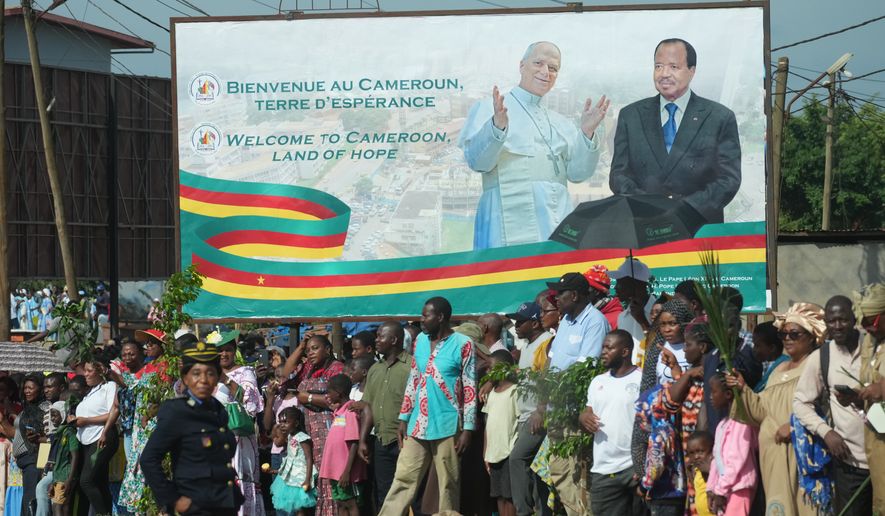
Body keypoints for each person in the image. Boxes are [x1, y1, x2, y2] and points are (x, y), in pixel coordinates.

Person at [459, 41, 609, 249]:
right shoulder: (489, 109)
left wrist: (586, 132)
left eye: (553, 68)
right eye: (538, 63)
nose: (545, 72)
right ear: (522, 66)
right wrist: (497, 128)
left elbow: (577, 174)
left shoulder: (561, 123)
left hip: (555, 216)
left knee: (556, 278)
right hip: (504, 220)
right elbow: (478, 162)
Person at [609, 38, 741, 225]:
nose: (664, 74)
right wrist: (649, 205)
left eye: (673, 67)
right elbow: (618, 175)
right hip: (644, 225)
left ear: (692, 71)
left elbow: (729, 180)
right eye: (658, 66)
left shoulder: (719, 117)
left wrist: (684, 208)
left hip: (698, 227)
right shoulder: (630, 116)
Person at [724, 302, 826, 516]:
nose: (787, 339)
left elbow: (827, 408)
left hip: (801, 453)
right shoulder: (778, 368)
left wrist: (794, 426)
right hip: (773, 457)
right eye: (783, 334)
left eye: (795, 334)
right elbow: (762, 410)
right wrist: (742, 388)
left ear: (811, 336)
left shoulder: (817, 365)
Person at [380, 296, 476, 515]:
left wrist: (468, 429)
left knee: (448, 484)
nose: (421, 320)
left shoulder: (463, 344)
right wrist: (404, 417)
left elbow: (470, 387)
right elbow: (414, 378)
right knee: (403, 478)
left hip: (448, 423)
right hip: (417, 424)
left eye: (426, 315)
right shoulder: (420, 341)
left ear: (440, 317)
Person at [140, 337, 244, 516]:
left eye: (210, 373)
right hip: (194, 507)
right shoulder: (176, 411)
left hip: (225, 504)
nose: (203, 380)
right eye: (196, 373)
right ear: (185, 379)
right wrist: (174, 500)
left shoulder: (218, 410)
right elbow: (149, 459)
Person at [792, 295, 871, 515]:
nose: (837, 326)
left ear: (854, 318)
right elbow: (800, 402)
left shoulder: (873, 348)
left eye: (843, 320)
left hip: (881, 456)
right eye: (831, 321)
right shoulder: (822, 357)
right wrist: (826, 433)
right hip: (850, 463)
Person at [543, 272, 609, 515]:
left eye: (560, 294)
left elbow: (586, 369)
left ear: (575, 295)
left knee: (579, 474)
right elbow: (552, 363)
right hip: (555, 410)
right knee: (559, 471)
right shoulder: (566, 321)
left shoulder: (595, 322)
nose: (555, 299)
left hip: (576, 411)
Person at [578, 329, 644, 516]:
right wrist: (583, 417)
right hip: (604, 468)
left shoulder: (642, 378)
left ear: (625, 352)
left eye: (609, 347)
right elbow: (588, 412)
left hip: (634, 466)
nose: (603, 352)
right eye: (603, 347)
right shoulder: (598, 381)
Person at [282, 333, 346, 516]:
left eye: (315, 348)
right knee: (310, 479)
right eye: (308, 349)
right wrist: (301, 346)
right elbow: (286, 374)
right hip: (309, 433)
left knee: (329, 478)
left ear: (328, 349)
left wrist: (309, 397)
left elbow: (339, 399)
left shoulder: (337, 368)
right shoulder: (308, 368)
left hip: (329, 431)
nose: (310, 353)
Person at [502, 301, 552, 516]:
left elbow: (548, 378)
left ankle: (523, 512)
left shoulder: (546, 342)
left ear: (534, 323)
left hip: (536, 416)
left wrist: (540, 411)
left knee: (517, 458)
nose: (517, 326)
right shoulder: (526, 346)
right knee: (534, 471)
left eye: (521, 322)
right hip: (525, 415)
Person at [357, 321, 412, 510]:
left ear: (394, 340)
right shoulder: (375, 369)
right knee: (385, 496)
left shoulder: (412, 367)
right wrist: (363, 440)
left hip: (408, 441)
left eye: (381, 336)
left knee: (413, 495)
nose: (376, 340)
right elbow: (367, 408)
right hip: (382, 442)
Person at [111, 337, 168, 514]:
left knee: (147, 467)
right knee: (136, 469)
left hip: (152, 426)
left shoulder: (161, 368)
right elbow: (124, 393)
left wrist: (151, 414)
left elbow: (163, 396)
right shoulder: (135, 373)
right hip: (134, 428)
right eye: (124, 354)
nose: (148, 346)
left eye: (152, 343)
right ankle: (141, 508)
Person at [212, 330, 266, 516]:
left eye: (228, 350)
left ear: (235, 351)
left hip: (238, 440)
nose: (224, 354)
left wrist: (225, 380)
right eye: (219, 350)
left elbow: (251, 402)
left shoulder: (245, 372)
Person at [852, 283, 885, 513]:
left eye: (871, 322)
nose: (866, 328)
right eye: (862, 324)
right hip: (876, 435)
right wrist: (855, 395)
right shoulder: (870, 340)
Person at [70, 359, 118, 516]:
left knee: (86, 480)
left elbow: (113, 412)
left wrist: (87, 421)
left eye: (89, 371)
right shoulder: (90, 392)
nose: (86, 374)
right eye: (85, 371)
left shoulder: (109, 387)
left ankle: (103, 514)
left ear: (100, 372)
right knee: (99, 482)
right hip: (86, 440)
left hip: (102, 437)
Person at [706, 374, 758, 516]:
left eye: (714, 391)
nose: (710, 396)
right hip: (724, 488)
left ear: (728, 394)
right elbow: (716, 460)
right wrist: (711, 488)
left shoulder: (741, 423)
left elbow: (736, 460)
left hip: (739, 488)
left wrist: (720, 490)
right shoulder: (722, 424)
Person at [318, 374, 366, 515]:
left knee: (350, 502)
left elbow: (354, 443)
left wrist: (347, 472)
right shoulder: (339, 412)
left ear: (338, 392)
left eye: (329, 391)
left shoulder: (350, 412)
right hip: (336, 472)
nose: (327, 394)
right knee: (340, 503)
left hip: (346, 472)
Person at [481, 350, 519, 516]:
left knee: (509, 496)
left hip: (508, 453)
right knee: (498, 495)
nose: (487, 372)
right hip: (494, 453)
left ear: (503, 368)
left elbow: (519, 423)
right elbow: (488, 426)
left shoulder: (515, 391)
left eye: (491, 368)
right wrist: (485, 453)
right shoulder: (492, 394)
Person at [270, 407, 317, 516]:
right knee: (293, 507)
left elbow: (309, 459)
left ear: (296, 423)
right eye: (280, 422)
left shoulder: (303, 438)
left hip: (301, 477)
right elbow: (290, 458)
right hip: (291, 477)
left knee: (300, 508)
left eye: (285, 422)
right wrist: (278, 471)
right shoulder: (290, 436)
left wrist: (307, 479)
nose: (282, 425)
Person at [611, 258, 656, 364]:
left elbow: (660, 346)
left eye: (620, 283)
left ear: (636, 284)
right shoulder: (622, 317)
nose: (616, 288)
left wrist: (643, 321)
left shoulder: (660, 312)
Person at [47, 400, 80, 516]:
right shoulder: (59, 434)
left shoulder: (69, 432)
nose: (52, 418)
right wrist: (53, 481)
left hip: (66, 476)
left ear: (63, 414)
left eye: (55, 415)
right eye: (51, 416)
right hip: (59, 476)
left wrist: (69, 480)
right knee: (64, 507)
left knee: (58, 507)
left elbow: (75, 456)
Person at [654, 299, 695, 384]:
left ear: (683, 323)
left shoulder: (695, 347)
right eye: (663, 324)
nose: (667, 329)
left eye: (672, 323)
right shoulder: (656, 349)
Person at [751, 322, 788, 392]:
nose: (754, 349)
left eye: (757, 345)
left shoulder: (784, 367)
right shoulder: (766, 365)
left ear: (772, 348)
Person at [583, 265, 623, 330]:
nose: (581, 291)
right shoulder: (584, 315)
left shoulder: (617, 319)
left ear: (596, 292)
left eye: (585, 288)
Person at [684, 431, 714, 516]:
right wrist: (689, 473)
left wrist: (709, 471)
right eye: (692, 453)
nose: (696, 456)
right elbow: (697, 488)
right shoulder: (696, 470)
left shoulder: (714, 467)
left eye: (700, 451)